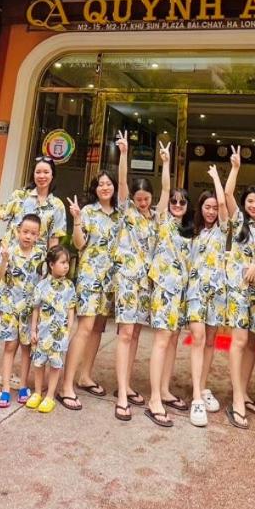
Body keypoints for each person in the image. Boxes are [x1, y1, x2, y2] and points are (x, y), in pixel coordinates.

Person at [0, 160, 65, 410]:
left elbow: (54, 245)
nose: (42, 175)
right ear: (33, 173)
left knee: (24, 330)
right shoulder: (20, 196)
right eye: (38, 171)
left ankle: (12, 377)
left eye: (46, 172)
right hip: (8, 268)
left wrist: (51, 278)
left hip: (34, 275)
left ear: (52, 175)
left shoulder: (56, 206)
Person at [58, 169, 121, 409]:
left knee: (97, 329)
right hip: (89, 277)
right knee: (84, 328)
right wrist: (76, 219)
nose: (105, 187)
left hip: (109, 280)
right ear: (95, 189)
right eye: (100, 184)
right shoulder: (88, 212)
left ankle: (85, 376)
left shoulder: (119, 215)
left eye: (108, 183)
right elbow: (79, 244)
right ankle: (66, 385)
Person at [145, 141, 194, 429]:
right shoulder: (162, 221)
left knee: (173, 340)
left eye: (181, 202)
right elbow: (164, 190)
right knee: (162, 340)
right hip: (164, 290)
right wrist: (165, 163)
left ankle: (164, 389)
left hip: (181, 293)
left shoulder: (190, 230)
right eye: (174, 202)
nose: (176, 205)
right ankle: (154, 399)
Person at [223, 158, 255, 430]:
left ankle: (244, 390)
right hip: (240, 289)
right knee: (239, 341)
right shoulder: (239, 220)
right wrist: (235, 168)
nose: (253, 206)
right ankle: (237, 398)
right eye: (250, 201)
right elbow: (228, 193)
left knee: (252, 343)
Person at [184, 162, 232, 428]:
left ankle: (202, 387)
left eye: (214, 207)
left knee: (211, 341)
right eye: (207, 207)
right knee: (199, 338)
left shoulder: (222, 230)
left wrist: (216, 179)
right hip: (195, 292)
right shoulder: (192, 232)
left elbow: (224, 205)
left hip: (217, 292)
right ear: (200, 208)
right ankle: (196, 398)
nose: (212, 211)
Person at [112, 131, 156, 420]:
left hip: (146, 283)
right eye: (138, 198)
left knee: (136, 333)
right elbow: (122, 182)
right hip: (127, 280)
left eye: (146, 198)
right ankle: (121, 394)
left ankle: (126, 384)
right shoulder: (126, 211)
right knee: (126, 334)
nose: (142, 202)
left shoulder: (156, 218)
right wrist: (125, 153)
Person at [0, 213, 45, 408]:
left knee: (27, 348)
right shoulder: (10, 251)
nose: (28, 236)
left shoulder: (40, 254)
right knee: (10, 347)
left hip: (29, 311)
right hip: (11, 309)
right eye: (25, 232)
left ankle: (22, 386)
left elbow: (44, 281)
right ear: (18, 231)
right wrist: (4, 260)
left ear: (38, 235)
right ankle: (5, 388)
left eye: (33, 233)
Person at [27, 245, 77, 413]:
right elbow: (36, 309)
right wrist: (33, 330)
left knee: (55, 365)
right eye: (62, 262)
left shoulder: (69, 286)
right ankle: (37, 392)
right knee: (39, 363)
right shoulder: (42, 285)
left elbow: (71, 309)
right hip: (42, 333)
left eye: (67, 263)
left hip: (59, 335)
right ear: (51, 264)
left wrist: (68, 330)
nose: (66, 266)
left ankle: (50, 395)